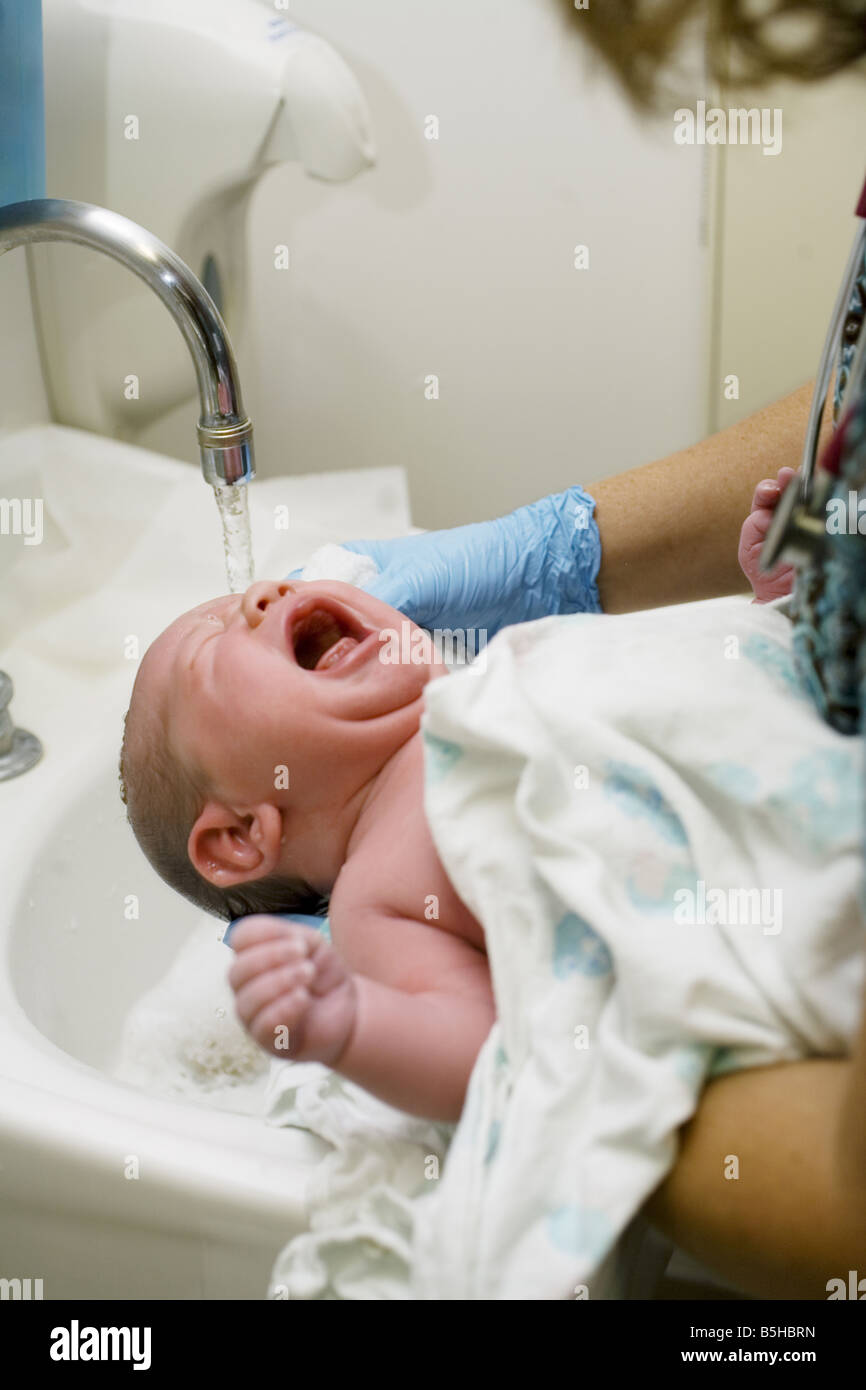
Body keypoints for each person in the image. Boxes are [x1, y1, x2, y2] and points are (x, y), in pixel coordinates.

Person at [314, 0, 866, 1299]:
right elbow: (470, 1032)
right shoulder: (373, 888)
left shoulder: (500, 710)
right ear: (235, 834)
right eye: (216, 642)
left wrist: (580, 1057)